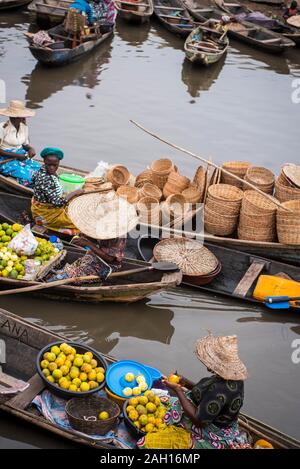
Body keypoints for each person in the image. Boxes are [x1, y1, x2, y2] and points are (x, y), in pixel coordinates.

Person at [138, 334, 250, 449]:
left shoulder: (220, 390)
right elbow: (206, 392)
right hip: (216, 419)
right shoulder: (234, 378)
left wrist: (178, 390)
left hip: (210, 431)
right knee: (160, 400)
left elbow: (199, 421)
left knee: (146, 443)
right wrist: (185, 382)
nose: (207, 364)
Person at [67, 191, 139, 269]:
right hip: (92, 254)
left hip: (106, 266)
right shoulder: (97, 223)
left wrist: (88, 244)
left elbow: (111, 259)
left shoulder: (117, 234)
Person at [31, 147, 83, 236]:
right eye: (49, 165)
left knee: (77, 210)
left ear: (58, 163)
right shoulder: (44, 179)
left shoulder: (42, 171)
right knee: (79, 223)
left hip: (46, 205)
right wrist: (75, 193)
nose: (52, 168)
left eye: (55, 165)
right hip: (46, 213)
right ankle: (50, 227)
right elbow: (58, 203)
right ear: (44, 162)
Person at [0, 100, 40, 186]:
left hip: (22, 156)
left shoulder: (24, 127)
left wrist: (31, 149)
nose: (23, 118)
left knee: (40, 169)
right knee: (29, 175)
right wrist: (17, 156)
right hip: (5, 159)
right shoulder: (3, 128)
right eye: (20, 116)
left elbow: (25, 145)